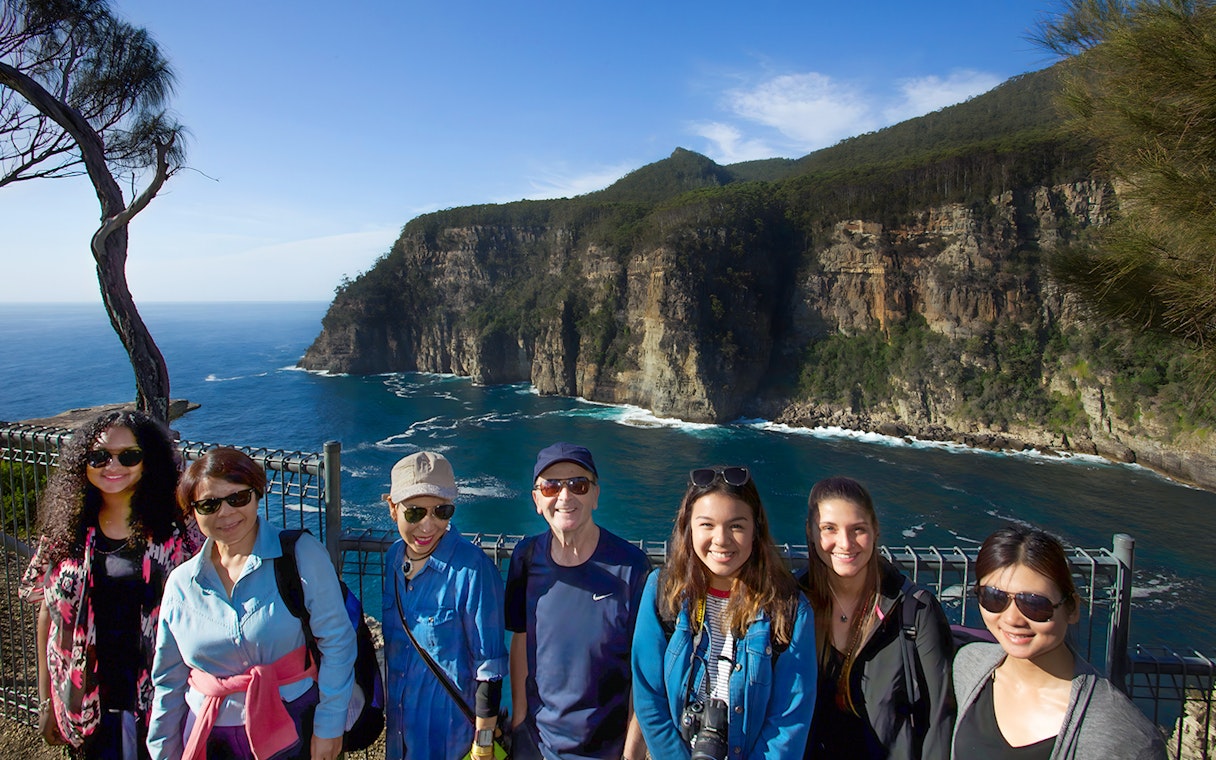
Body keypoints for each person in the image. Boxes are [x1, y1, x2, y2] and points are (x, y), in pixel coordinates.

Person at [145, 447, 357, 760]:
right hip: (210, 735)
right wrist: (163, 751)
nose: (225, 512)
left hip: (294, 723)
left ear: (257, 495)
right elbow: (168, 680)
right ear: (192, 512)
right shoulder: (181, 584)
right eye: (209, 504)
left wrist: (330, 725)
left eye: (238, 498)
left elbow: (337, 641)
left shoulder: (300, 555)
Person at [19, 409, 203, 759]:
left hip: (160, 700)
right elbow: (48, 616)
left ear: (149, 461)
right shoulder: (64, 534)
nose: (112, 466)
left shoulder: (179, 532)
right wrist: (46, 702)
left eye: (129, 456)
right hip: (85, 704)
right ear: (83, 462)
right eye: (99, 456)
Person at [632, 465, 818, 759]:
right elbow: (649, 697)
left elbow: (789, 721)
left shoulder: (788, 607)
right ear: (687, 527)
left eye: (736, 525)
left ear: (755, 530)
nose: (721, 539)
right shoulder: (662, 592)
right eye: (706, 525)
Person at [952, 526, 1166, 759]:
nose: (1012, 619)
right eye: (994, 597)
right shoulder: (969, 667)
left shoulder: (1125, 736)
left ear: (1071, 608)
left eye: (1034, 604)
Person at [505, 442, 651, 760]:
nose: (565, 496)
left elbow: (644, 670)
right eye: (550, 486)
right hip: (536, 747)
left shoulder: (633, 567)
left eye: (578, 485)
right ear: (536, 500)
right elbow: (521, 638)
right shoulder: (525, 559)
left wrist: (631, 753)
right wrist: (518, 719)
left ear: (596, 495)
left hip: (608, 751)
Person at [801, 476, 955, 760]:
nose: (845, 543)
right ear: (811, 533)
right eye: (829, 529)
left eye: (858, 529)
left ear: (875, 531)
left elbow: (940, 718)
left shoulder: (915, 611)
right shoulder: (793, 605)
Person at [381, 451, 508, 759]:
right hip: (402, 735)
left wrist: (485, 742)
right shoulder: (393, 560)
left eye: (441, 511)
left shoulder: (472, 570)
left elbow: (489, 666)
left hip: (452, 741)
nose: (428, 525)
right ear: (392, 508)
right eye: (414, 513)